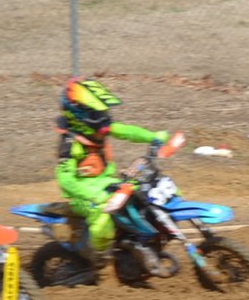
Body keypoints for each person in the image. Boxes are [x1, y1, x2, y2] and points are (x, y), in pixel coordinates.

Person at [54, 78, 170, 274]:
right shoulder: (69, 144)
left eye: (103, 112)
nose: (103, 118)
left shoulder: (100, 129)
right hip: (83, 196)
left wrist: (153, 136)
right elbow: (65, 180)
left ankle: (137, 243)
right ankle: (100, 264)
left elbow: (126, 131)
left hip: (108, 184)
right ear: (78, 114)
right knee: (102, 218)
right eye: (96, 114)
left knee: (144, 194)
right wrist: (94, 196)